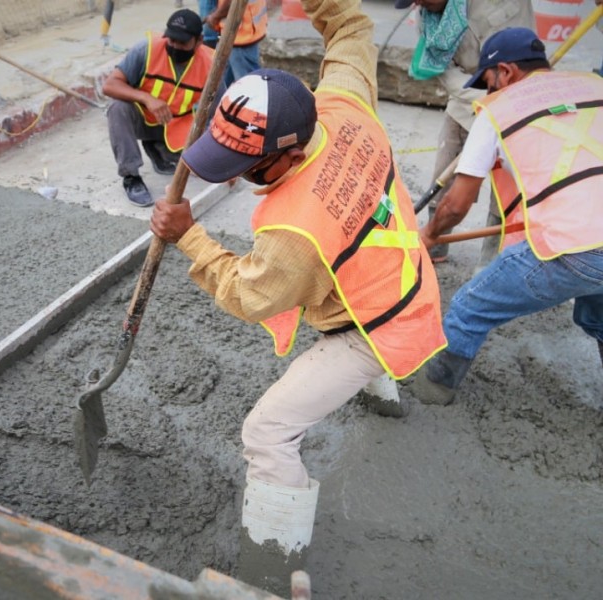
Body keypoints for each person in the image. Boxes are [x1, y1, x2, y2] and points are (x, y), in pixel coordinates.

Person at [149, 0, 446, 593]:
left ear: (286, 154)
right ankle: (389, 399)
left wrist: (190, 237)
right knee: (360, 323)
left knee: (266, 432)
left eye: (246, 167)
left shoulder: (295, 238)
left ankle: (271, 567)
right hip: (399, 272)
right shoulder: (343, 102)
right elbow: (351, 26)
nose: (234, 176)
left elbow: (247, 293)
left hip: (371, 321)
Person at [413, 27, 603, 406]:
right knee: (597, 316)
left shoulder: (499, 109)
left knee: (470, 307)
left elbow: (456, 205)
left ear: (506, 71)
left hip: (575, 248)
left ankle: (432, 396)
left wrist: (428, 234)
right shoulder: (593, 87)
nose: (489, 92)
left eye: (488, 82)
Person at [395, 0, 534, 268]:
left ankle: (493, 262)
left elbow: (519, 58)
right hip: (465, 99)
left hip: (511, 99)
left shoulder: (494, 5)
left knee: (505, 187)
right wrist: (478, 98)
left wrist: (495, 102)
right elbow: (443, 70)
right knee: (444, 173)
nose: (418, 5)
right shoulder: (427, 18)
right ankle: (434, 242)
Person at [101, 8, 215, 208]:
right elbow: (110, 85)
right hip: (144, 119)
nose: (175, 46)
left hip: (178, 126)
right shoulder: (146, 50)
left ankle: (158, 147)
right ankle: (131, 177)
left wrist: (216, 156)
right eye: (172, 40)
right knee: (117, 108)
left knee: (199, 168)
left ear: (198, 41)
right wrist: (146, 98)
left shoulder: (211, 63)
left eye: (182, 42)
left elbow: (218, 111)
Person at [203, 0, 268, 87]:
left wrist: (215, 16)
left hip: (241, 34)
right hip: (239, 33)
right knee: (221, 82)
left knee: (248, 85)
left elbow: (233, 3)